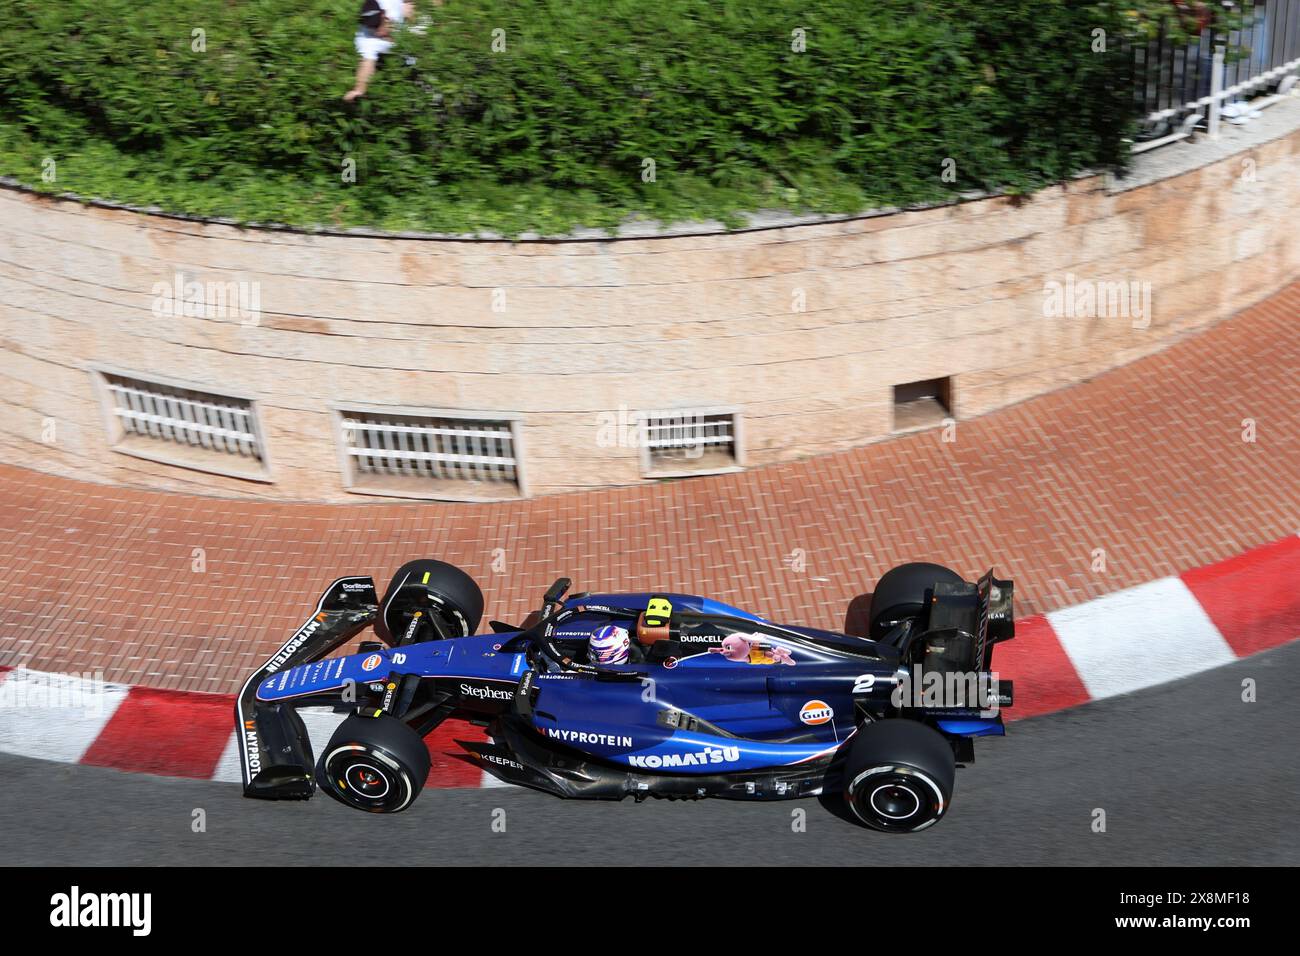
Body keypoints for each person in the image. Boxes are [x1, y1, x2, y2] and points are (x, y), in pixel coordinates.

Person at [344, 0, 415, 102]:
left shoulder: (390, 3)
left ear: (384, 14)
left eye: (378, 25)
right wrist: (359, 90)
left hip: (410, 31)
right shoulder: (366, 38)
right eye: (372, 27)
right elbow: (367, 63)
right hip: (401, 55)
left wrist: (409, 9)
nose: (376, 32)